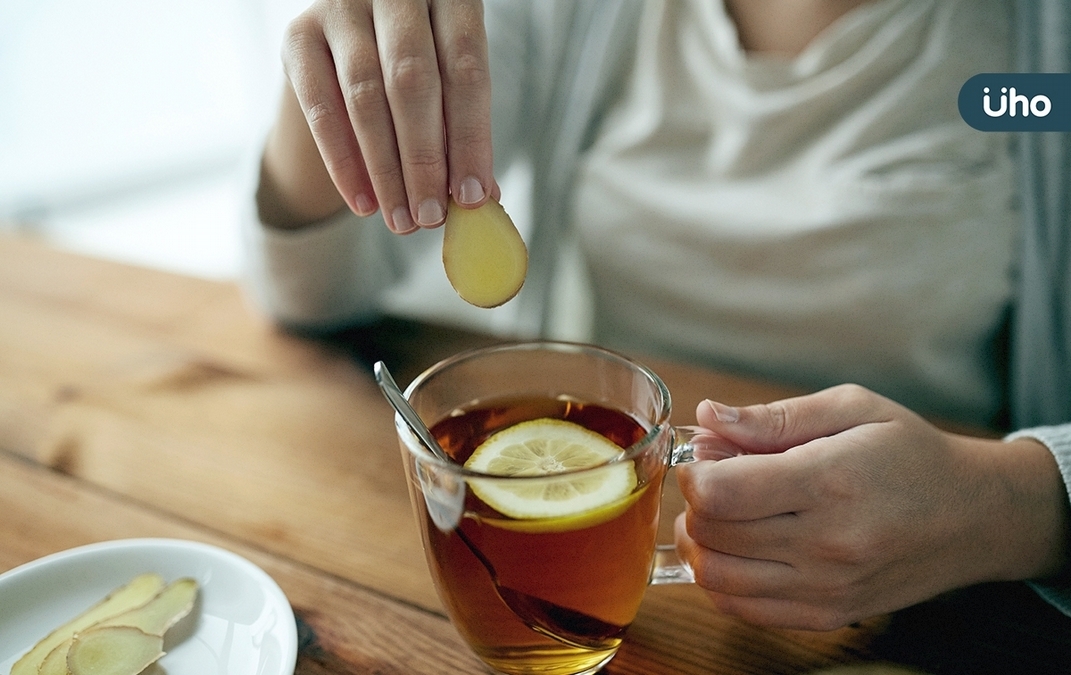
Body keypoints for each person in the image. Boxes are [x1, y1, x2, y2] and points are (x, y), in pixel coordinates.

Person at [244, 0, 1071, 632]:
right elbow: (314, 293)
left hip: (942, 614)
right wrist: (332, 73)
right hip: (587, 591)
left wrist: (1008, 504)